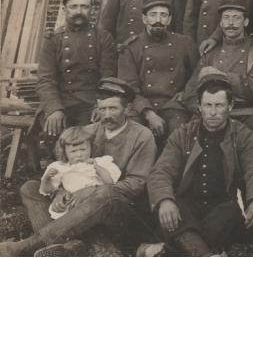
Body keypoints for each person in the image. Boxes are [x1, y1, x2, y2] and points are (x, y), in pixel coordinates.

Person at [1, 78, 157, 256]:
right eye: (102, 108)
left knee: (104, 194)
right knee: (30, 188)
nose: (106, 115)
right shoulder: (89, 131)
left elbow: (136, 184)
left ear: (127, 109)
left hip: (121, 208)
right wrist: (59, 191)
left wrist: (92, 191)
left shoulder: (142, 136)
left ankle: (26, 247)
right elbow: (65, 166)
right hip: (80, 203)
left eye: (113, 108)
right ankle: (62, 247)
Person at [146, 72, 253, 256]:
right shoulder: (184, 134)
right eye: (208, 105)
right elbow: (161, 171)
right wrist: (165, 200)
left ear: (230, 106)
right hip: (186, 207)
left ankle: (176, 250)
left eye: (219, 105)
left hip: (220, 208)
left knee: (230, 212)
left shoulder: (241, 134)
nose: (213, 112)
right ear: (199, 106)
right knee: (174, 211)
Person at [183, 0, 253, 151]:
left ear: (246, 22)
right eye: (226, 18)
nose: (231, 23)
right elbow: (191, 89)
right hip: (211, 111)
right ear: (221, 23)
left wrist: (221, 75)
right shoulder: (211, 53)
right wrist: (200, 109)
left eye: (236, 18)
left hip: (245, 112)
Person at [35, 0, 117, 141]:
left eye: (84, 7)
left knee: (91, 137)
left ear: (91, 9)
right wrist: (54, 109)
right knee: (53, 134)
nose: (79, 11)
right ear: (64, 8)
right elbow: (45, 80)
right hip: (61, 100)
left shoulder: (103, 37)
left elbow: (109, 78)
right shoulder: (53, 39)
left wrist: (101, 106)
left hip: (90, 101)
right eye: (74, 6)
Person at [118, 0, 198, 144]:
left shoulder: (184, 43)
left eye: (163, 15)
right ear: (144, 19)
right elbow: (129, 88)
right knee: (133, 134)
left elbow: (196, 75)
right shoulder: (131, 47)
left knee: (179, 134)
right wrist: (149, 114)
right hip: (141, 106)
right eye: (153, 15)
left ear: (169, 20)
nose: (158, 20)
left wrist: (186, 95)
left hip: (174, 105)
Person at [39, 126, 121, 220]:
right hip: (71, 204)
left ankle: (51, 233)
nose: (79, 154)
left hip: (95, 202)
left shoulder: (100, 162)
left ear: (91, 147)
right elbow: (48, 190)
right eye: (73, 151)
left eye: (83, 149)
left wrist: (98, 168)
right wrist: (46, 179)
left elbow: (110, 183)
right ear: (64, 152)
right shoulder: (61, 167)